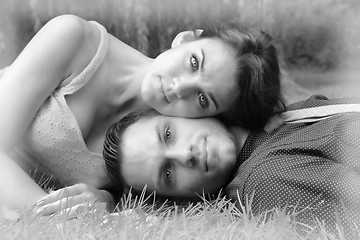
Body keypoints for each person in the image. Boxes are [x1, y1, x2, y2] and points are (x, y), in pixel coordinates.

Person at [0, 14, 284, 211]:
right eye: (194, 62)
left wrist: (105, 201)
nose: (178, 87)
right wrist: (54, 214)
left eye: (202, 98)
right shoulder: (73, 39)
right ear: (186, 38)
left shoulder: (166, 145)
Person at [38, 95, 360, 237]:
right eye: (168, 173)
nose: (183, 156)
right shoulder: (269, 178)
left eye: (168, 134)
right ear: (181, 197)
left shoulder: (287, 115)